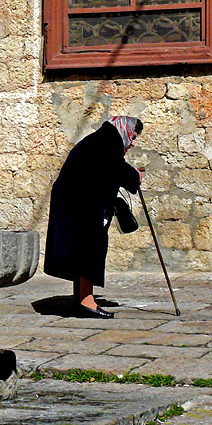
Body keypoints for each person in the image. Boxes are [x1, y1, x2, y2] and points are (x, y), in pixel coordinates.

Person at [44, 115, 144, 319]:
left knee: (82, 249)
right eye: (132, 137)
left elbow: (109, 168)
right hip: (81, 205)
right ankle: (86, 302)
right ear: (124, 130)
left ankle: (80, 298)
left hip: (76, 202)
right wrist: (135, 177)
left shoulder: (103, 139)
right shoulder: (108, 141)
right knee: (90, 248)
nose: (132, 143)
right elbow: (116, 167)